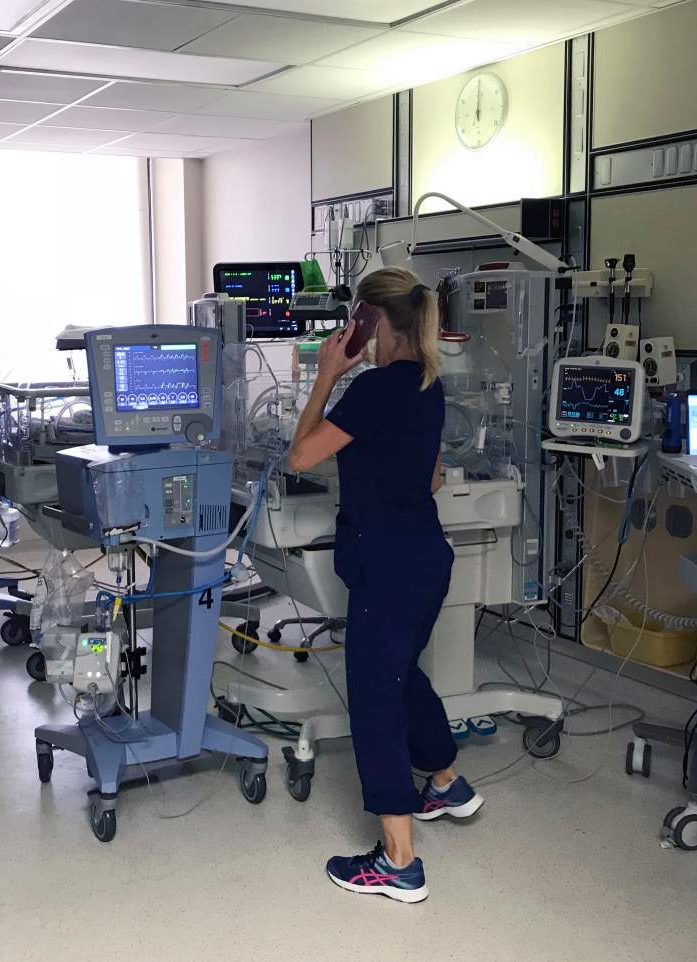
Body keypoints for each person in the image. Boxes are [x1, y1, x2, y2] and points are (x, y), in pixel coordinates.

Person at [286, 266, 484, 905]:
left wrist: (325, 376)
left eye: (356, 320)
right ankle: (447, 780)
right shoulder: (429, 384)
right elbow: (430, 477)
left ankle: (399, 861)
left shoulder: (371, 388)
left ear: (370, 322)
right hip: (425, 559)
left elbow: (302, 455)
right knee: (403, 674)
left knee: (374, 695)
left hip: (389, 565)